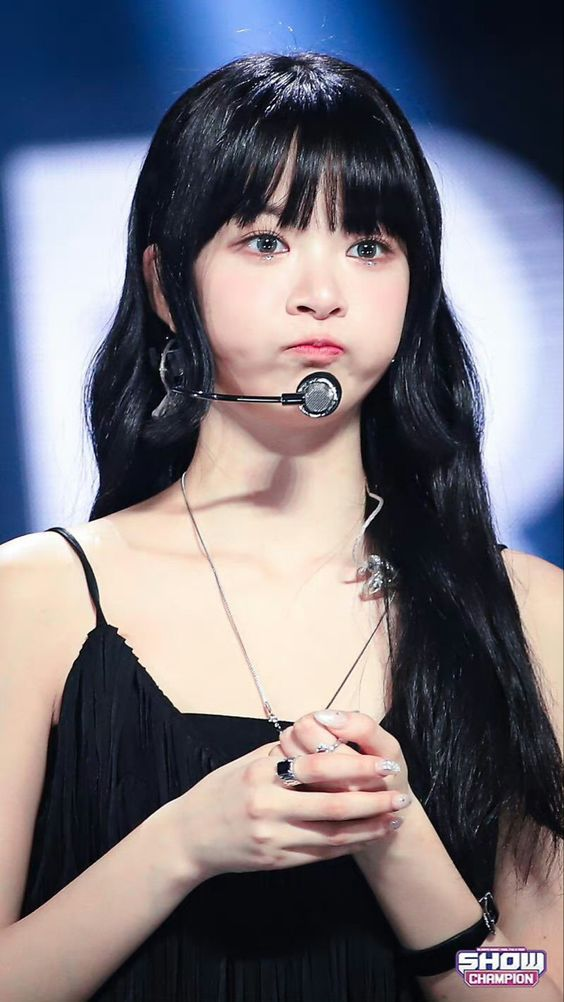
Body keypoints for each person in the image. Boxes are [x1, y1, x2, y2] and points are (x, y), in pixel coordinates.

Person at [0, 51, 562, 1002]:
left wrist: (402, 848)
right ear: (166, 284)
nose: (322, 291)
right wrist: (184, 844)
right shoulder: (37, 596)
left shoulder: (529, 610)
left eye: (369, 245)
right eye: (265, 241)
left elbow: (534, 978)